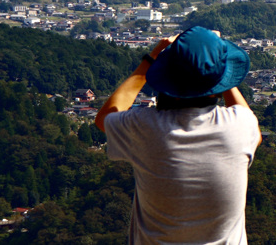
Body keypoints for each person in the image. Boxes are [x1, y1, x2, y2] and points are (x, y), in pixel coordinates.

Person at [96, 26, 262, 244]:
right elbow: (252, 126)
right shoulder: (241, 125)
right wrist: (214, 63)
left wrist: (152, 56)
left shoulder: (146, 127)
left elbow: (104, 118)